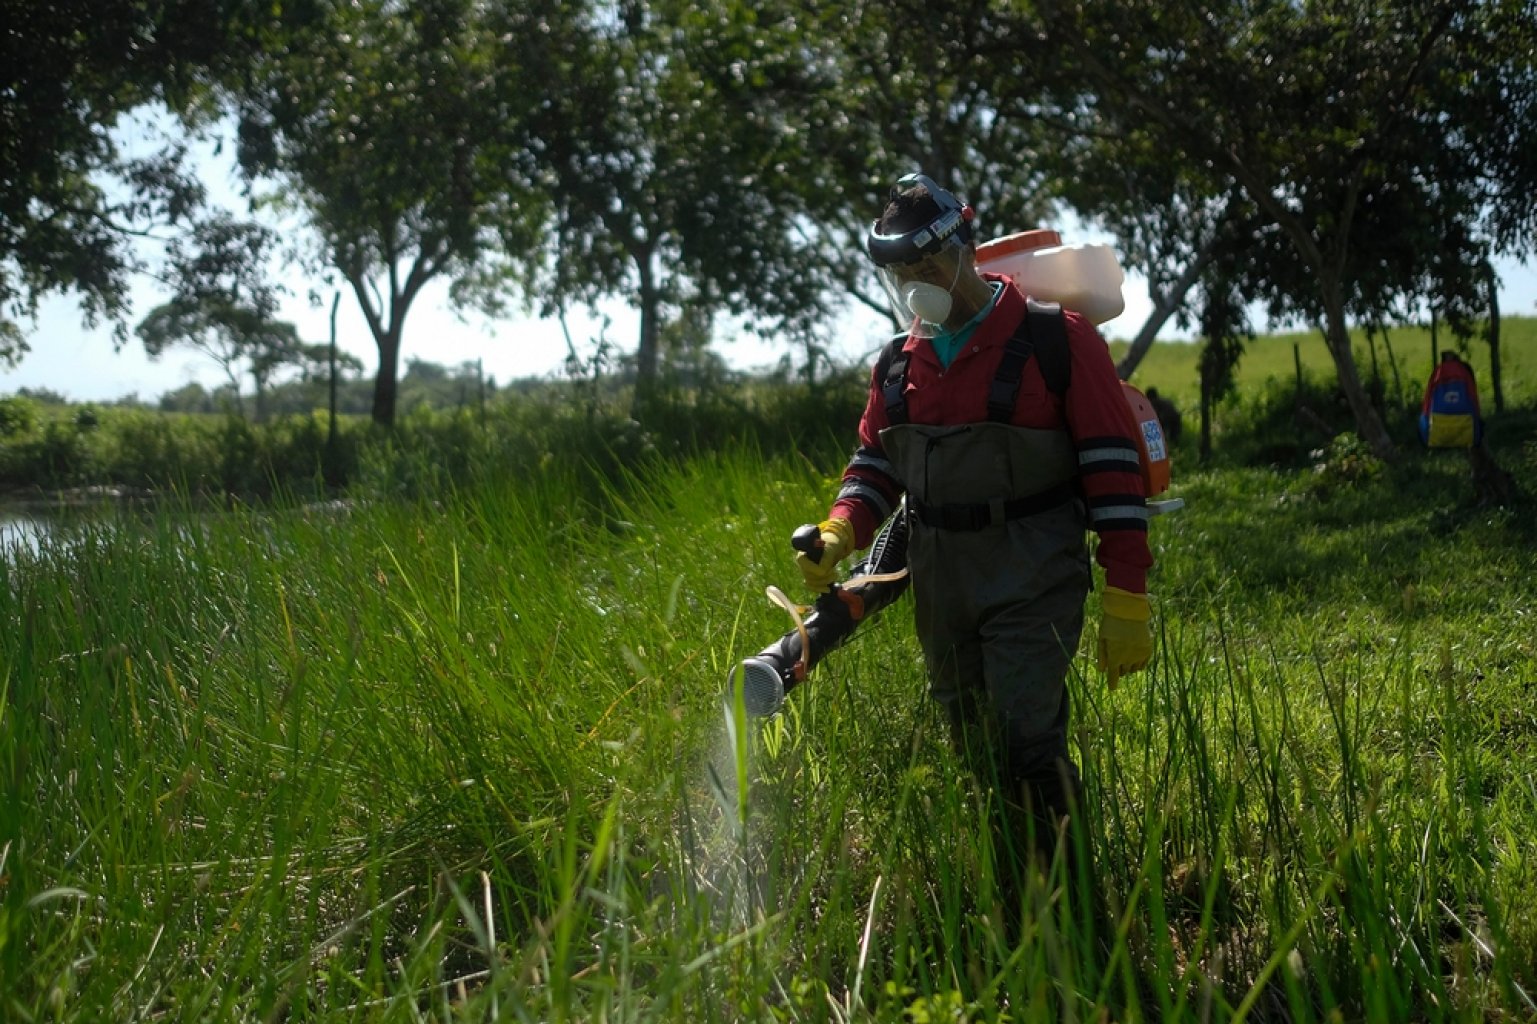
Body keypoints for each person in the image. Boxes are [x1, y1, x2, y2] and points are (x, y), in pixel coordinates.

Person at [794, 172, 1155, 920]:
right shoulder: (899, 363)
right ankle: (1015, 899)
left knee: (1028, 737)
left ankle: (1071, 914)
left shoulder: (1055, 339)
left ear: (965, 249)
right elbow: (874, 464)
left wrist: (1127, 590)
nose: (914, 284)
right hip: (941, 578)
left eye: (926, 265)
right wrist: (839, 530)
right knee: (976, 748)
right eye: (900, 273)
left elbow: (1112, 468)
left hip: (1033, 567)